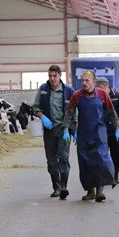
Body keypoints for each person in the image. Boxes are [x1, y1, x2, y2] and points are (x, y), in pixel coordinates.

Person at [61, 70, 119, 202]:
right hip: (83, 133)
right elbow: (69, 113)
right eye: (82, 80)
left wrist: (117, 128)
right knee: (86, 162)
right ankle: (90, 192)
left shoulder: (102, 94)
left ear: (94, 82)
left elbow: (111, 112)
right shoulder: (77, 95)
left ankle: (100, 191)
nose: (84, 83)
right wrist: (66, 130)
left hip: (99, 132)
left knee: (101, 159)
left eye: (87, 80)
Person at [32, 64, 75, 199]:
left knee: (63, 157)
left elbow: (75, 111)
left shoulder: (68, 90)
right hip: (49, 130)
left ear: (60, 75)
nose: (52, 78)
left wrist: (76, 129)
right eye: (50, 76)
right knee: (51, 161)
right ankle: (56, 187)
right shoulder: (43, 89)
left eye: (54, 75)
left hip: (64, 130)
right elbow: (35, 108)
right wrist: (43, 117)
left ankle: (63, 187)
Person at [95, 76, 119, 184]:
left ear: (106, 86)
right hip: (102, 131)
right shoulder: (97, 96)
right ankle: (105, 175)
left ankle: (115, 174)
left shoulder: (117, 96)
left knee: (116, 153)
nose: (97, 89)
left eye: (99, 87)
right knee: (102, 154)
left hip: (116, 131)